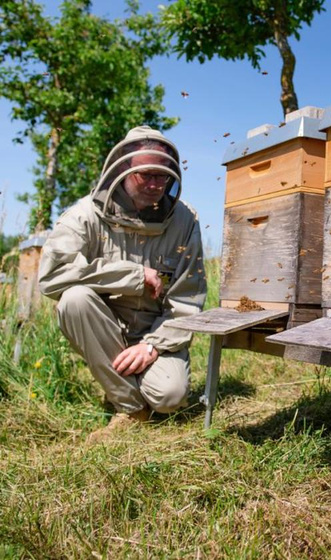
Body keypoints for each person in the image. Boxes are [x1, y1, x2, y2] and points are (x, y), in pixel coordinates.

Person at [38, 126, 206, 442]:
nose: (156, 184)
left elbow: (188, 298)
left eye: (163, 176)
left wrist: (153, 345)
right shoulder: (85, 216)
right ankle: (130, 408)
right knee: (74, 298)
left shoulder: (185, 222)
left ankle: (129, 383)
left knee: (171, 396)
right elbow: (50, 276)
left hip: (156, 331)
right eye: (147, 175)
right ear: (124, 170)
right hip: (106, 328)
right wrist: (132, 275)